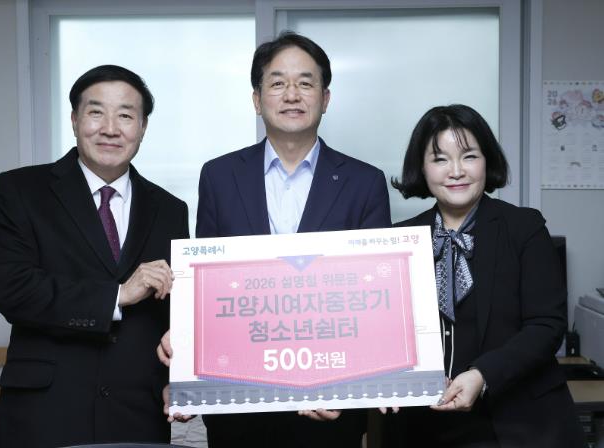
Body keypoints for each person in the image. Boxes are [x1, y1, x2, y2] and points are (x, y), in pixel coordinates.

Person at [159, 32, 391, 447]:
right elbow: (206, 285)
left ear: (326, 98)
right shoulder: (219, 176)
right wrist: (188, 359)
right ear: (256, 98)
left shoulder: (364, 182)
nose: (292, 95)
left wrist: (348, 390)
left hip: (329, 407)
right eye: (278, 83)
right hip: (239, 403)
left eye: (305, 83)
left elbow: (377, 300)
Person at [0, 65, 189, 448]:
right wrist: (118, 295)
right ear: (75, 120)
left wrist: (178, 380)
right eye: (96, 112)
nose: (110, 128)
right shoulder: (21, 190)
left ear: (143, 127)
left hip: (138, 412)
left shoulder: (170, 209)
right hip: (45, 411)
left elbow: (175, 313)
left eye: (125, 115)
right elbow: (13, 289)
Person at [383, 104, 585, 447]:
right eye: (440, 159)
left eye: (469, 156)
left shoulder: (524, 227)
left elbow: (547, 325)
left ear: (486, 161)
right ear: (422, 167)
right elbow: (383, 330)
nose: (456, 171)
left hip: (517, 423)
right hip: (424, 425)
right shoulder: (399, 238)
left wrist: (482, 375)